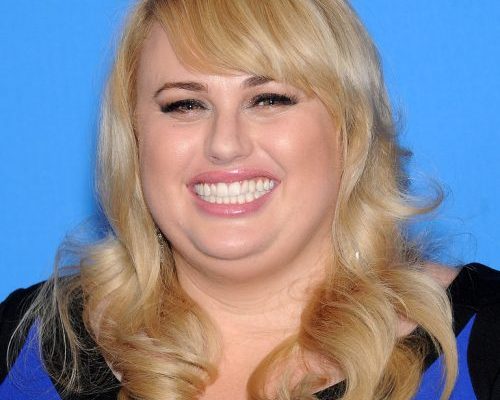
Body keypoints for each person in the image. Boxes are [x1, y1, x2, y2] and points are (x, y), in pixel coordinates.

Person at [1, 1, 499, 399]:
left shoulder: (487, 340)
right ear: (133, 141)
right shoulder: (23, 345)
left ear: (350, 131)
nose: (225, 143)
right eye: (185, 104)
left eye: (269, 99)